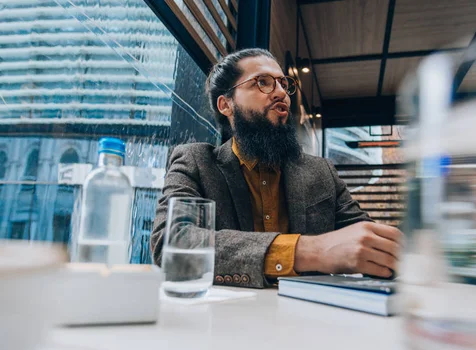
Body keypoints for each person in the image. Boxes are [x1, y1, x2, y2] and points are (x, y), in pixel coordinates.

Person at [151, 48, 402, 288]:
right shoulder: (196, 161)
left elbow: (369, 243)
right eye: (262, 82)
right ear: (226, 105)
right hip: (222, 321)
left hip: (310, 318)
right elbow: (171, 242)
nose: (281, 92)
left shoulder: (321, 172)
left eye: (284, 83)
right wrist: (309, 251)